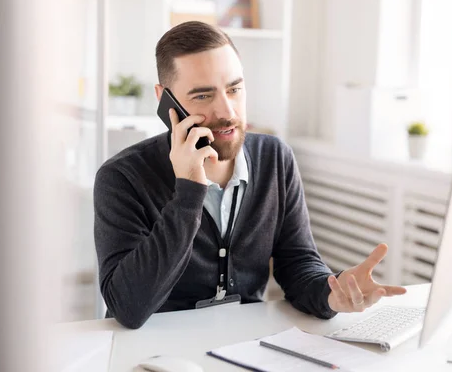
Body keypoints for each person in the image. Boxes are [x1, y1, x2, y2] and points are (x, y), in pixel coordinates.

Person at [93, 21, 406, 329]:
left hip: (241, 348)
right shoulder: (122, 178)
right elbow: (128, 308)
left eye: (234, 89)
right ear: (165, 99)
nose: (227, 111)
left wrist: (331, 294)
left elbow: (297, 264)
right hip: (151, 356)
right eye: (203, 96)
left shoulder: (274, 158)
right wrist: (188, 192)